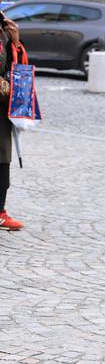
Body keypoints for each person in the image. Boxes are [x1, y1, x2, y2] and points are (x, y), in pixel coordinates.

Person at [0, 14, 24, 231]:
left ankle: (0, 211)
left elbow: (18, 69)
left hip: (1, 106)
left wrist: (15, 41)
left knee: (2, 158)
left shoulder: (5, 32)